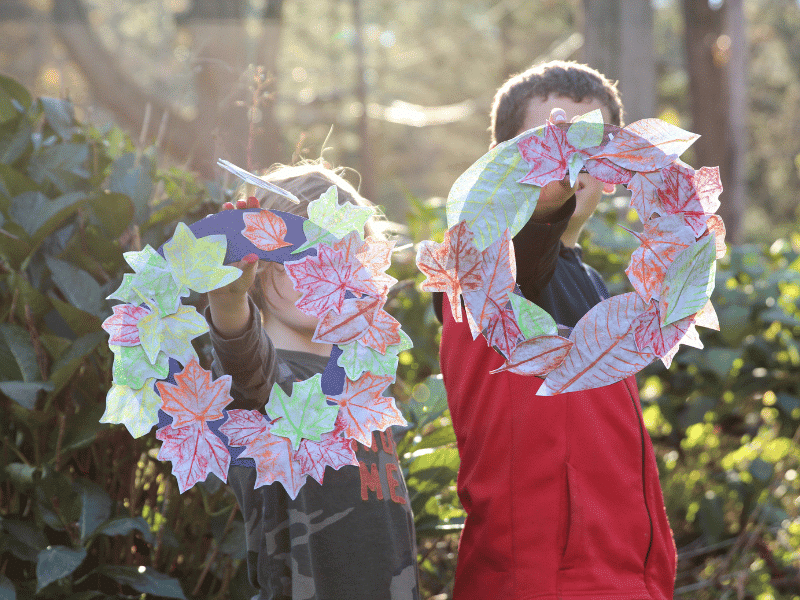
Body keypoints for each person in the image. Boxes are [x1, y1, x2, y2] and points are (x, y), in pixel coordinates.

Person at [435, 61, 677, 600]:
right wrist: (540, 208)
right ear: (501, 160)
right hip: (539, 584)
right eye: (549, 142)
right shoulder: (482, 262)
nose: (572, 161)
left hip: (626, 581)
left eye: (592, 143)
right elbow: (525, 248)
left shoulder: (594, 284)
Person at [206, 162, 419, 600]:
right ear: (261, 266)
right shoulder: (268, 387)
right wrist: (230, 307)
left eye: (343, 259)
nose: (325, 275)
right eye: (301, 254)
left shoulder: (359, 384)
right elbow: (247, 363)